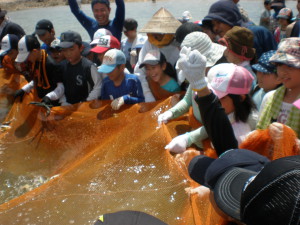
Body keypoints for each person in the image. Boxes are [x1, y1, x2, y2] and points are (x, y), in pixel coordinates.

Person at [157, 32, 226, 153]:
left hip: (214, 143)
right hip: (197, 137)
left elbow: (217, 122)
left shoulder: (219, 83)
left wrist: (188, 138)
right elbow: (187, 100)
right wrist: (171, 113)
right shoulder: (195, 78)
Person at [134, 7, 181, 102]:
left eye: (161, 33)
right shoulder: (149, 43)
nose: (157, 36)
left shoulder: (179, 44)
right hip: (153, 88)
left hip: (174, 87)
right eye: (154, 33)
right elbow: (140, 71)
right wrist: (148, 95)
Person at [202, 0, 277, 58]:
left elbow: (276, 62)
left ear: (230, 19)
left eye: (218, 22)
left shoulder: (259, 33)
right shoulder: (222, 46)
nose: (215, 28)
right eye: (213, 25)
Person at [257, 37, 300, 137]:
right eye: (279, 65)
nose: (283, 72)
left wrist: (288, 139)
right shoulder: (270, 97)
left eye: (290, 66)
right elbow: (259, 130)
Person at [13, 35, 64, 106]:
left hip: (55, 105)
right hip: (43, 103)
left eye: (27, 56)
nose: (26, 59)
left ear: (34, 51)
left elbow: (61, 87)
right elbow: (37, 80)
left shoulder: (51, 64)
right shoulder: (35, 62)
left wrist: (49, 97)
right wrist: (24, 89)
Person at [58, 31, 103, 105]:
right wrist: (64, 101)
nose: (68, 53)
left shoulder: (89, 67)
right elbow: (61, 86)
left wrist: (85, 102)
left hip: (85, 106)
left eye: (71, 49)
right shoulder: (62, 66)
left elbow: (98, 87)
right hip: (67, 105)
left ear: (81, 48)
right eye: (64, 50)